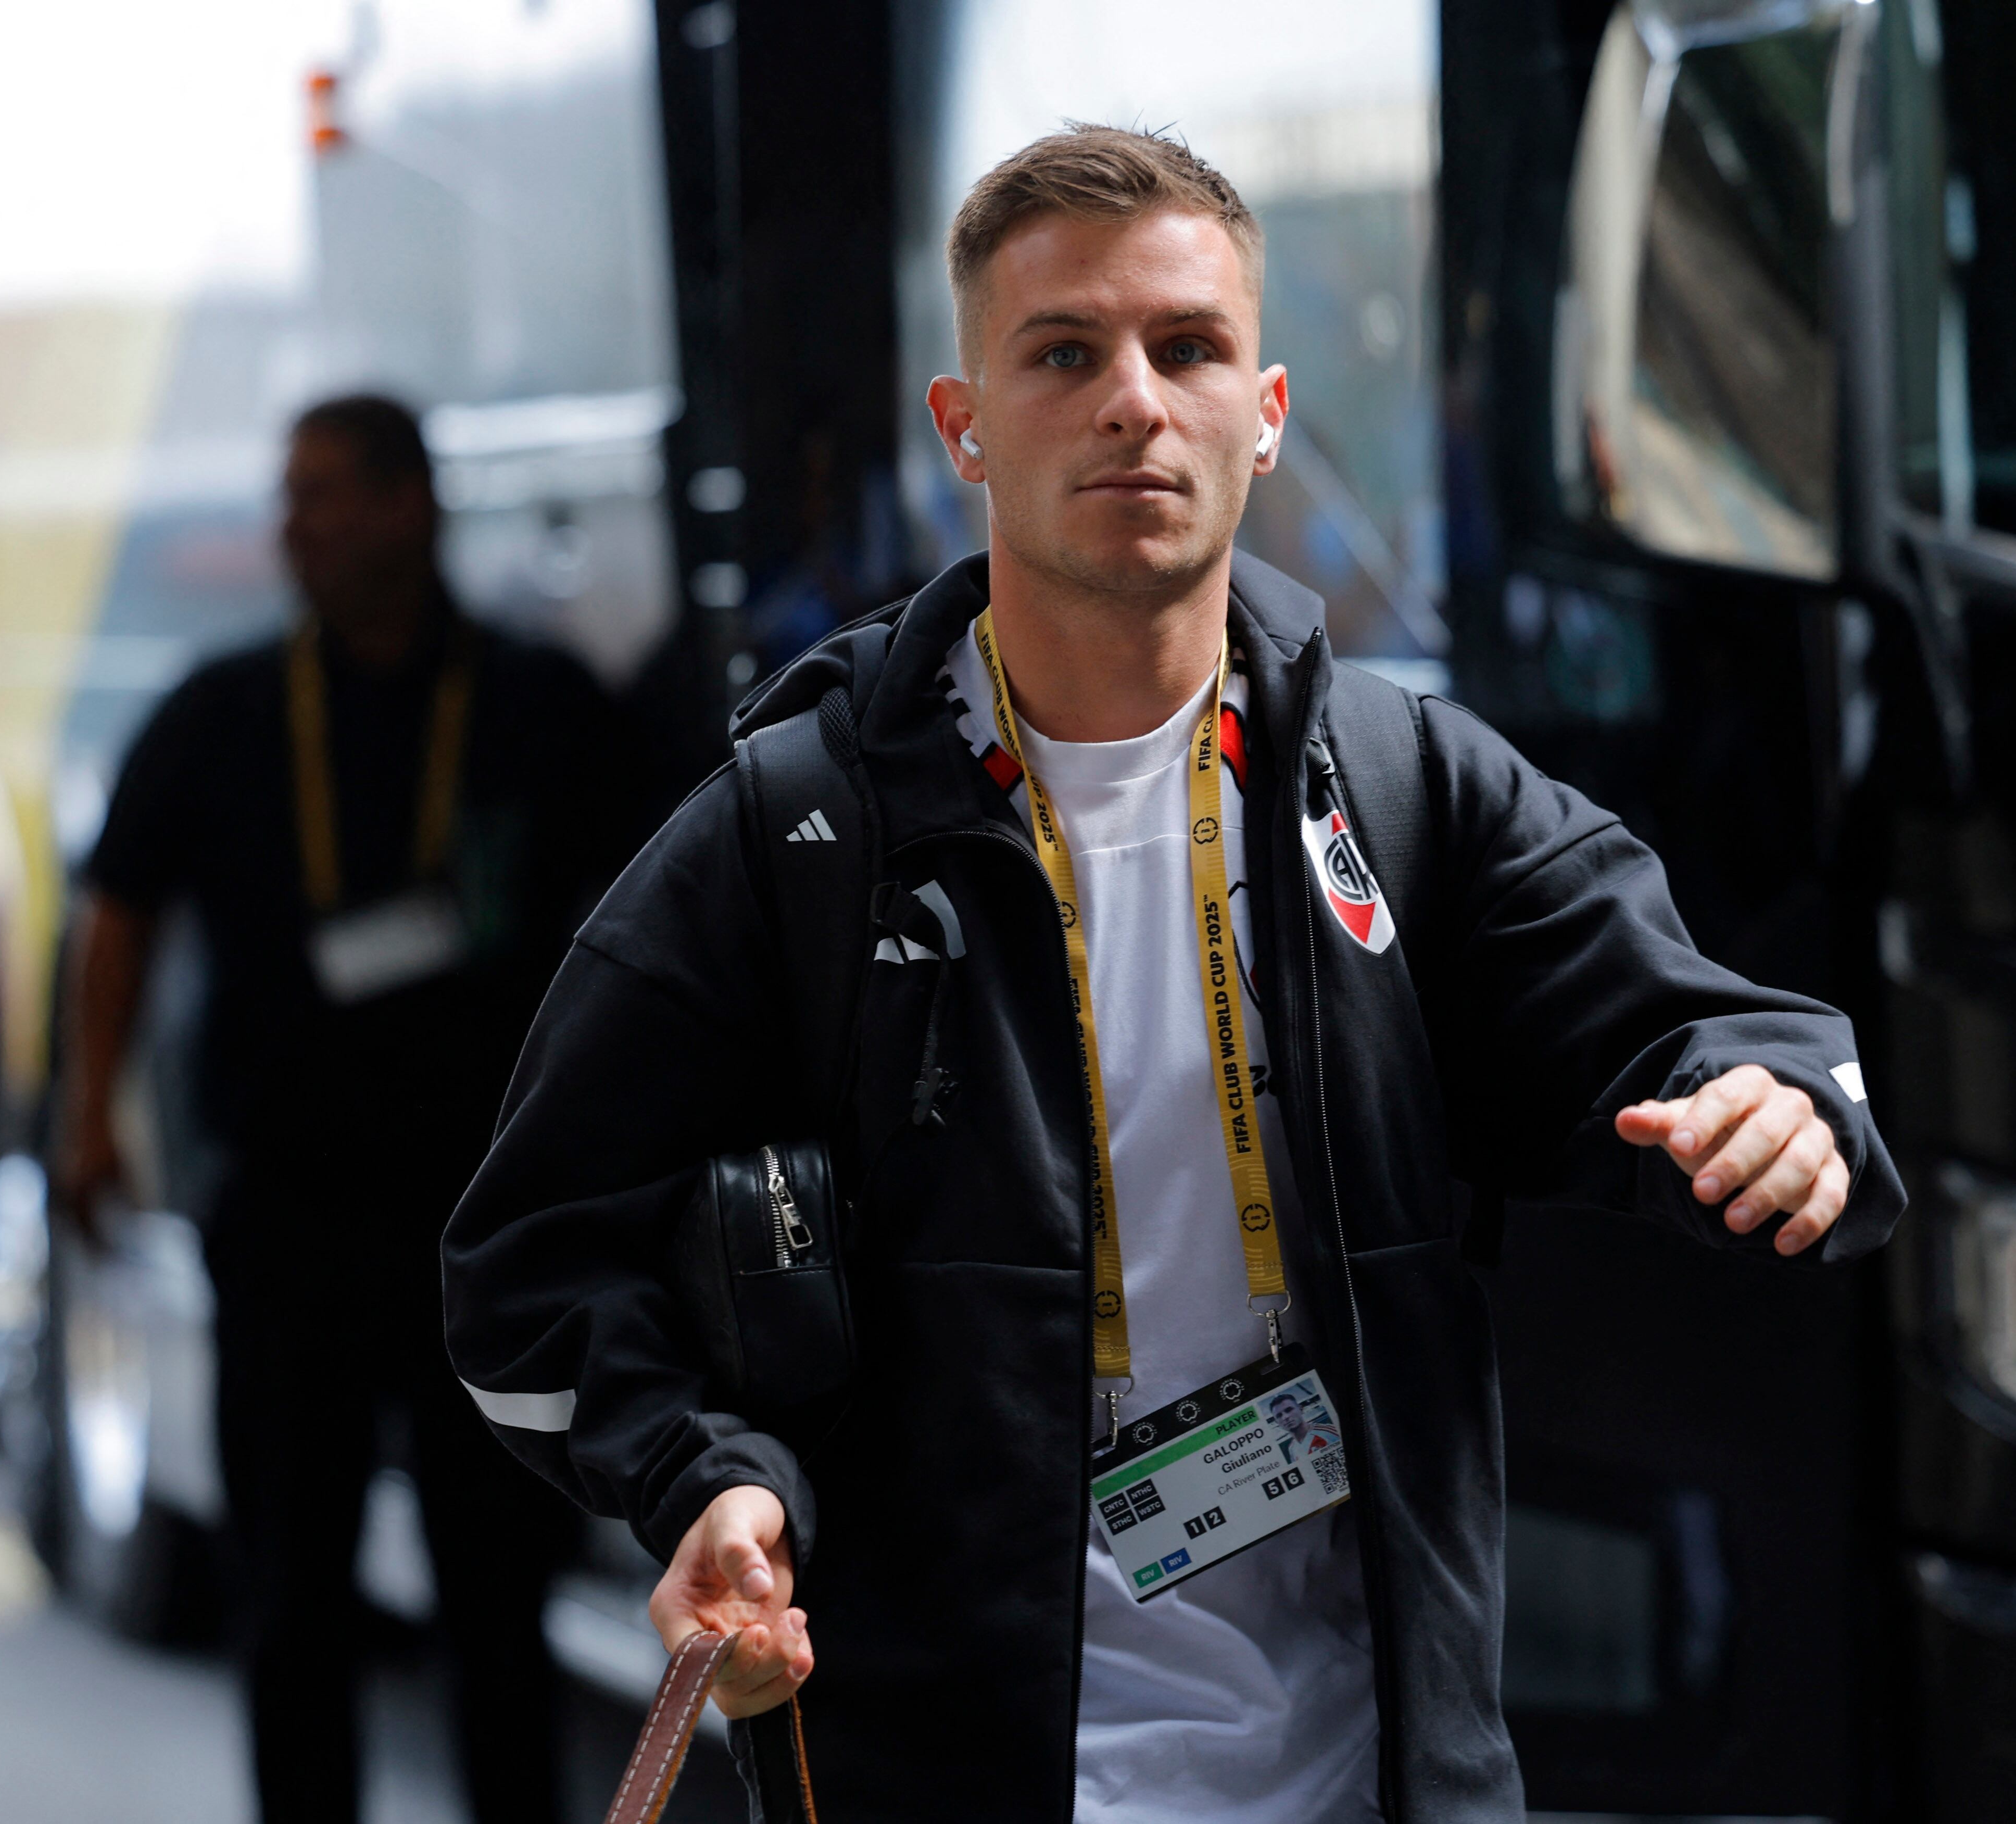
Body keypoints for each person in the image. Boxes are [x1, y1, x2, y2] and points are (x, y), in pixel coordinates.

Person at [442, 128, 1907, 1822]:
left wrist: (1785, 1105)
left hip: (1369, 1787)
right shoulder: (799, 833)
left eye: (1187, 347)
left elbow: (1714, 1029)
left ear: (1265, 411)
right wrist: (703, 1481)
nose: (1133, 400)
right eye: (1064, 352)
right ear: (965, 424)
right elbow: (523, 1272)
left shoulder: (1400, 785)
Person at [56, 394, 633, 1824]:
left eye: (323, 494)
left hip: (485, 1235)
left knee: (496, 1593)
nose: (294, 526)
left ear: (409, 507)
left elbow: (645, 936)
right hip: (287, 1223)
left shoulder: (536, 703)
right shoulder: (226, 711)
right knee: (293, 1594)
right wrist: (89, 1116)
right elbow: (114, 915)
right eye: (290, 495)